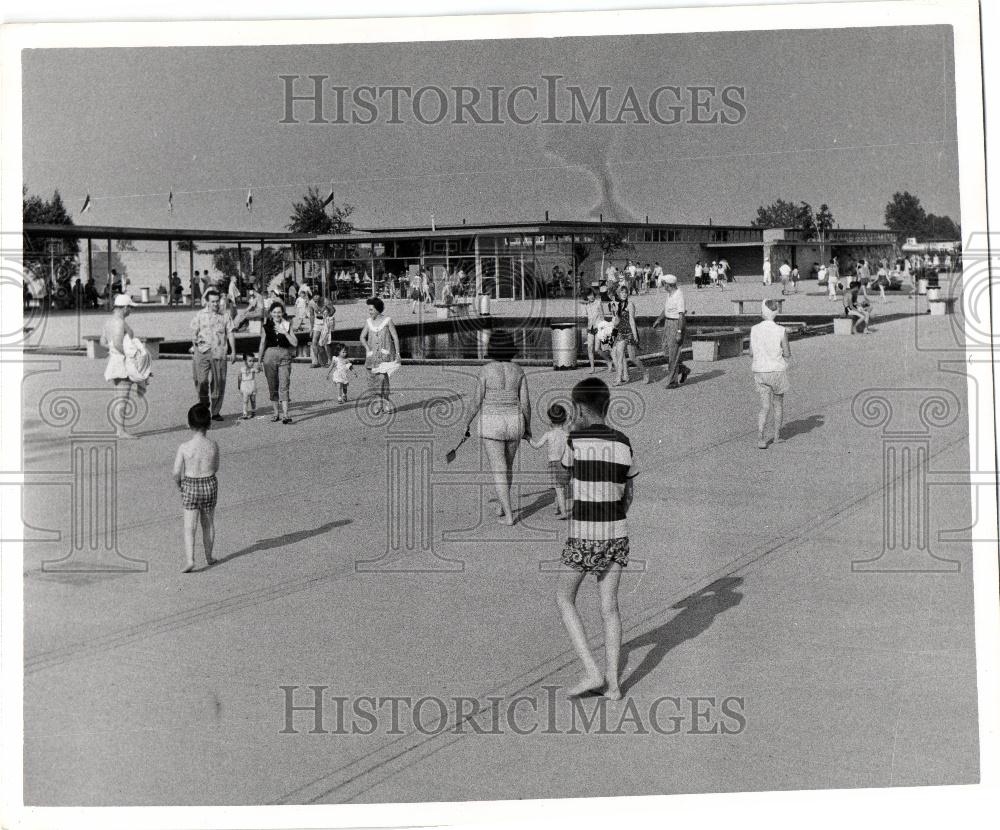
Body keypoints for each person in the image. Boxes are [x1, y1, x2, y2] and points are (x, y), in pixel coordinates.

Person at [556, 376, 635, 699]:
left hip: (584, 535)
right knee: (609, 607)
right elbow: (629, 494)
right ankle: (614, 684)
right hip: (616, 533)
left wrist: (571, 430)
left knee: (564, 597)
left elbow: (563, 477)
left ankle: (592, 670)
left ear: (578, 409)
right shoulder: (624, 442)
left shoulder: (574, 442)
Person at [463, 330, 532, 526]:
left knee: (498, 470)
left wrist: (466, 422)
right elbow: (526, 403)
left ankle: (509, 515)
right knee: (508, 467)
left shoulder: (485, 370)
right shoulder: (518, 370)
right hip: (514, 421)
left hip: (492, 422)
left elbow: (476, 401)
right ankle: (502, 506)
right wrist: (528, 427)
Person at [172, 404, 219, 573]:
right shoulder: (213, 445)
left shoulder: (184, 447)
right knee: (208, 523)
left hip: (191, 484)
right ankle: (209, 556)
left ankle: (190, 560)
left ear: (189, 425)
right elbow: (216, 466)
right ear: (209, 424)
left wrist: (180, 485)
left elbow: (176, 472)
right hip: (209, 483)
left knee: (189, 526)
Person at [101, 294, 150, 439]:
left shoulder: (109, 321)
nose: (131, 311)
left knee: (119, 397)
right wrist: (132, 356)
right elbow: (117, 343)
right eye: (130, 308)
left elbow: (103, 342)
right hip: (123, 362)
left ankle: (119, 429)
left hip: (115, 361)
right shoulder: (119, 322)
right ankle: (120, 430)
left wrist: (113, 352)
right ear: (124, 308)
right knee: (122, 397)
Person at [749, 300, 791, 450]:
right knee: (778, 404)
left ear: (762, 312)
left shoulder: (754, 329)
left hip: (760, 371)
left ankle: (761, 438)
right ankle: (777, 436)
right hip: (777, 371)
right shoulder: (781, 330)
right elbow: (787, 353)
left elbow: (751, 353)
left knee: (764, 406)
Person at [190, 288, 237, 422]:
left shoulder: (225, 315)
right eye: (213, 302)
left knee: (219, 383)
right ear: (207, 302)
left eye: (217, 301)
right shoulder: (199, 315)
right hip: (202, 352)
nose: (215, 304)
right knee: (201, 381)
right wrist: (195, 351)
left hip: (219, 353)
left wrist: (233, 351)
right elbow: (193, 335)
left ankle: (215, 412)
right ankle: (204, 406)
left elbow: (231, 333)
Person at [257, 301, 298, 424]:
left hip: (284, 356)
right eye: (274, 312)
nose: (277, 314)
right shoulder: (266, 327)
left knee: (284, 384)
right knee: (272, 384)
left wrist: (284, 332)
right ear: (270, 313)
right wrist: (259, 360)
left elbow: (295, 343)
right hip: (269, 356)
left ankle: (285, 414)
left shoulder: (287, 325)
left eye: (279, 312)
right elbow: (262, 343)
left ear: (283, 313)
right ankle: (276, 413)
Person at [529, 403, 571, 519]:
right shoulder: (567, 434)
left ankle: (563, 512)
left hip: (554, 464)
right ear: (564, 418)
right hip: (566, 463)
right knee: (562, 488)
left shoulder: (549, 434)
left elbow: (536, 445)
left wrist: (528, 438)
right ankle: (558, 508)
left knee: (559, 489)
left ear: (550, 419)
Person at [360, 297, 401, 415]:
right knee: (373, 381)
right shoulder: (368, 322)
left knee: (383, 379)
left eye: (371, 309)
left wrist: (397, 353)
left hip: (385, 356)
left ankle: (386, 403)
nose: (370, 311)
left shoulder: (388, 320)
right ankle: (378, 404)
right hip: (372, 357)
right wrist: (367, 348)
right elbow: (362, 337)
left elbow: (395, 337)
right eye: (369, 309)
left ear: (378, 309)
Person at [651, 274, 690, 388]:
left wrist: (679, 332)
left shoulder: (679, 296)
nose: (663, 286)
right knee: (666, 352)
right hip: (668, 323)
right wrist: (659, 319)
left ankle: (673, 382)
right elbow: (666, 309)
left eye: (664, 284)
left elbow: (681, 315)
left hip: (676, 324)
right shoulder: (670, 294)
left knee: (673, 354)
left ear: (669, 285)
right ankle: (683, 369)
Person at [609, 283, 649, 386]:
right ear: (618, 293)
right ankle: (618, 379)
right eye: (622, 292)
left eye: (625, 292)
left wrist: (635, 335)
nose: (624, 294)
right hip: (621, 332)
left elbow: (632, 320)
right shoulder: (618, 305)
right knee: (619, 356)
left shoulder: (630, 304)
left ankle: (645, 372)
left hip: (630, 332)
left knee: (632, 357)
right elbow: (616, 322)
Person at [582, 288, 611, 374]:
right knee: (589, 348)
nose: (590, 297)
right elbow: (587, 318)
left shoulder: (598, 303)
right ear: (586, 297)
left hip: (598, 328)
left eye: (591, 294)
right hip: (590, 329)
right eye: (588, 295)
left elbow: (602, 317)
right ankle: (592, 368)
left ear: (593, 294)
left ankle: (609, 361)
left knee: (597, 349)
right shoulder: (587, 306)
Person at [307, 289, 326, 368]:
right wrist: (311, 328)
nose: (316, 298)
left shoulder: (325, 301)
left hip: (325, 322)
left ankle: (325, 361)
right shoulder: (311, 303)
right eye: (314, 296)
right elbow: (311, 315)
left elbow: (333, 310)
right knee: (314, 342)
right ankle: (315, 361)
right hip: (317, 323)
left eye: (317, 296)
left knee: (323, 343)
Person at [237, 355, 259, 420]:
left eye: (253, 361)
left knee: (253, 400)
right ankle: (245, 413)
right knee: (245, 400)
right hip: (244, 386)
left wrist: (259, 367)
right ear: (245, 362)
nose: (252, 362)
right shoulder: (241, 369)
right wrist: (239, 385)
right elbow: (239, 377)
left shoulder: (253, 369)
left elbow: (258, 370)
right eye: (250, 361)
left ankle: (253, 411)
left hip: (252, 386)